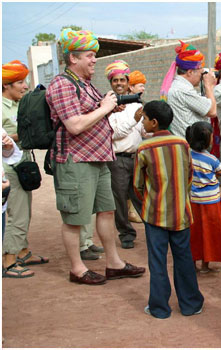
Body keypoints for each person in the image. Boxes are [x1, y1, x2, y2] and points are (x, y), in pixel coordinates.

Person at [46, 28, 145, 284]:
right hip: (76, 160)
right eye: (89, 56)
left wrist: (109, 108)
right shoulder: (62, 84)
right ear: (73, 59)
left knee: (107, 211)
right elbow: (75, 125)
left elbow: (96, 114)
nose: (94, 61)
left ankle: (114, 263)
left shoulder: (85, 85)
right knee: (75, 218)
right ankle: (77, 269)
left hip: (99, 158)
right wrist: (105, 108)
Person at [133, 100, 204, 319]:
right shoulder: (182, 144)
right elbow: (189, 175)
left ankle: (159, 308)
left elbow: (137, 184)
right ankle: (190, 304)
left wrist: (150, 201)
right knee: (183, 258)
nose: (142, 121)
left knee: (157, 261)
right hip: (181, 213)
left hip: (155, 214)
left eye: (144, 118)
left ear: (154, 123)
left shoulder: (144, 148)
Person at [2, 59, 48, 278]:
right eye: (19, 82)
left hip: (23, 165)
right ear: (6, 86)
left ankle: (23, 251)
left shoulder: (23, 103)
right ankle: (8, 261)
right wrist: (26, 135)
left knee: (25, 212)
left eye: (25, 81)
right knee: (17, 215)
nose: (24, 86)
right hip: (8, 168)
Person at [105, 59, 144, 249]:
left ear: (128, 82)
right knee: (120, 199)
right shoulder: (107, 106)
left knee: (141, 196)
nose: (119, 84)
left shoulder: (136, 104)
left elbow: (144, 131)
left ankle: (154, 230)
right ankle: (126, 234)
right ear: (111, 83)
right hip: (118, 160)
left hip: (137, 158)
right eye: (115, 81)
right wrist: (134, 121)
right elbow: (113, 134)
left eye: (122, 80)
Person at [185, 121, 221, 273]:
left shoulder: (187, 155)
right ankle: (205, 264)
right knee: (209, 233)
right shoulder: (211, 159)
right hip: (211, 202)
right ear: (209, 139)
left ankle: (192, 262)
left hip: (193, 200)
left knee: (194, 232)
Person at [163, 41, 217, 138]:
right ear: (190, 72)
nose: (202, 73)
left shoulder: (178, 86)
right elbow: (212, 112)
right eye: (200, 69)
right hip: (189, 147)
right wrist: (209, 86)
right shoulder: (183, 90)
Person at [127, 70, 147, 223]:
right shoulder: (120, 106)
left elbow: (143, 131)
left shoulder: (139, 105)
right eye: (140, 85)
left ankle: (135, 211)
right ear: (131, 87)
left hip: (137, 152)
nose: (143, 89)